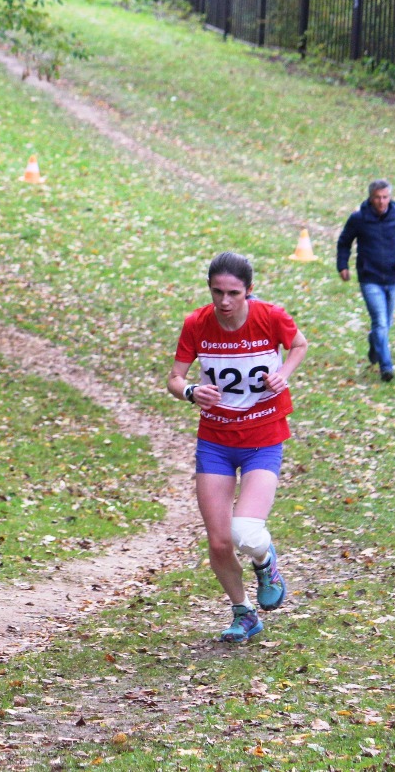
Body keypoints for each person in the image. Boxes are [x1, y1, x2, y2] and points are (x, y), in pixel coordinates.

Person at [167, 252, 308, 643]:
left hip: (263, 438)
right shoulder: (197, 323)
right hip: (215, 441)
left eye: (233, 293)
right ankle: (243, 611)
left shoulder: (270, 317)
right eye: (217, 292)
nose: (224, 302)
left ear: (249, 291)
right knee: (219, 540)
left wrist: (283, 375)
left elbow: (299, 344)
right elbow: (175, 378)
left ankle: (265, 561)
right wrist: (193, 392)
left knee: (245, 531)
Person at [336, 179, 395, 382]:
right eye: (377, 198)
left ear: (389, 197)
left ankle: (374, 343)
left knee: (386, 323)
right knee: (380, 322)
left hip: (393, 278)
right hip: (369, 278)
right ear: (370, 198)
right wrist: (343, 266)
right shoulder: (359, 219)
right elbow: (344, 242)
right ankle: (386, 367)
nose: (381, 202)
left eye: (385, 197)